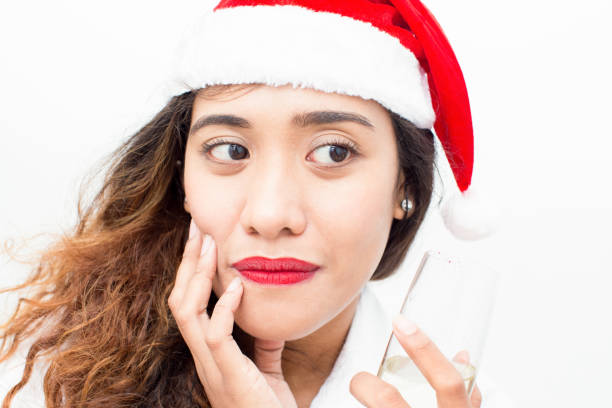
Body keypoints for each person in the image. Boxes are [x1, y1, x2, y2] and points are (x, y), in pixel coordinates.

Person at [0, 0, 513, 407]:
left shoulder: (456, 400)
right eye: (230, 150)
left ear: (407, 187)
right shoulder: (47, 378)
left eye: (333, 152)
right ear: (183, 179)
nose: (269, 216)